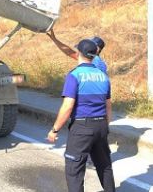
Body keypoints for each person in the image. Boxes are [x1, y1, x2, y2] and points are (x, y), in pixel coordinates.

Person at [47, 39, 115, 192]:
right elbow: (108, 105)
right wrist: (105, 126)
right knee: (104, 166)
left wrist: (55, 129)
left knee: (74, 170)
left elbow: (68, 106)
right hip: (101, 125)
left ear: (79, 53)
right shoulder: (103, 75)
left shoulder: (75, 75)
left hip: (82, 127)